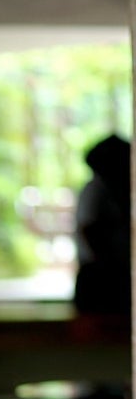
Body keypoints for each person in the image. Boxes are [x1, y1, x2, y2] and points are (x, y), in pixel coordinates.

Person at [74, 133, 131, 315]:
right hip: (100, 275)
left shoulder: (114, 192)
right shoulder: (97, 190)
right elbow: (89, 229)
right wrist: (110, 264)